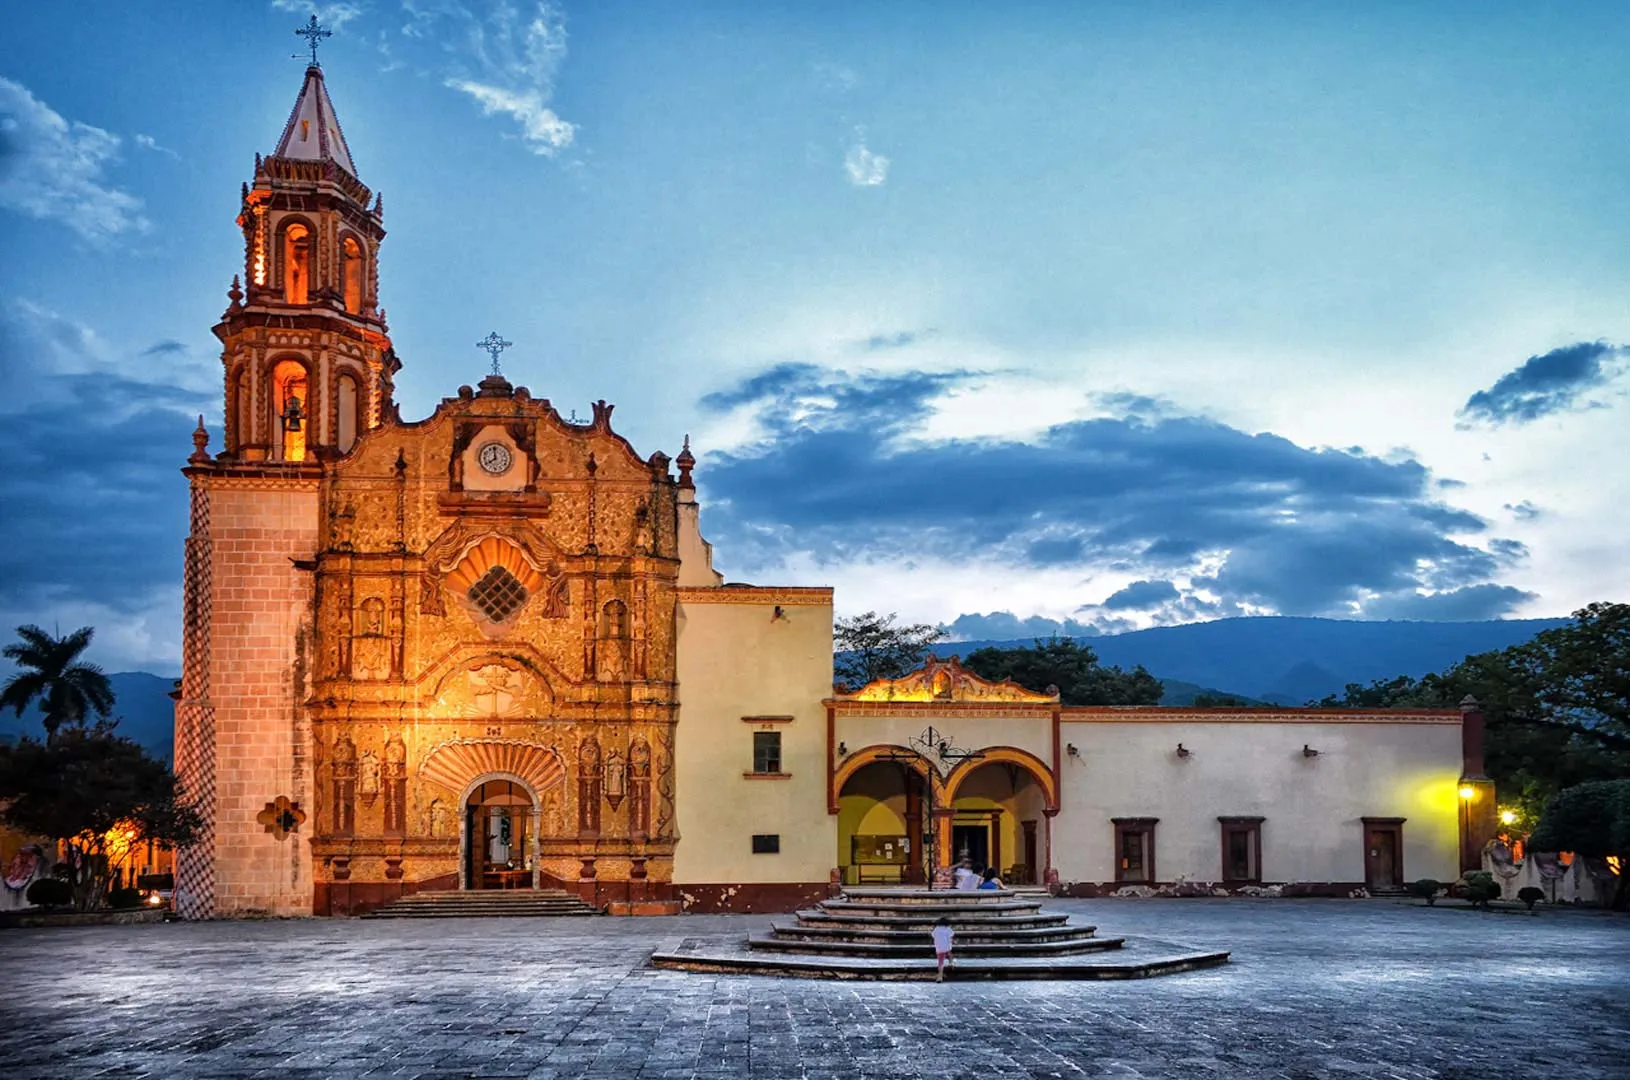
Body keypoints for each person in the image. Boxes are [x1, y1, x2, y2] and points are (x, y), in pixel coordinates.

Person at [931, 916, 954, 981]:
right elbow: (952, 935)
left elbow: (933, 935)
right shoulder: (948, 929)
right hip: (947, 946)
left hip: (939, 948)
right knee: (949, 954)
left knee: (940, 962)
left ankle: (940, 976)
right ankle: (951, 963)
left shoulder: (936, 929)